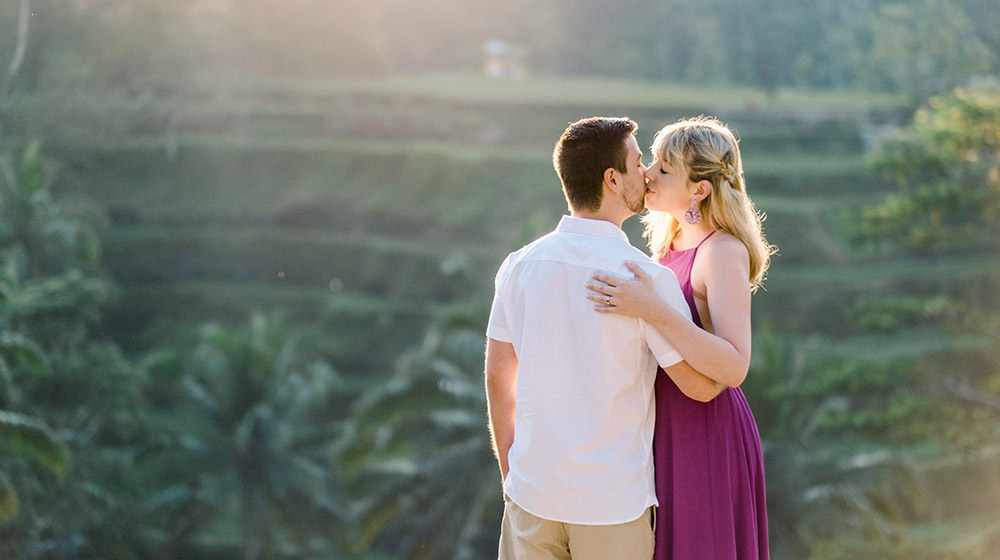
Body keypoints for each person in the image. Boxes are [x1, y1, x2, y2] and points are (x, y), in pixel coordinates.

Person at [485, 117, 720, 560]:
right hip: (611, 507)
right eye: (637, 164)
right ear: (612, 180)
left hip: (532, 495)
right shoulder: (646, 280)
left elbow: (500, 379)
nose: (647, 174)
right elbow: (699, 387)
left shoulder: (519, 264)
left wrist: (511, 474)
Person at [586, 116, 774, 559]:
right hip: (661, 425)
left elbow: (734, 365)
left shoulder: (723, 251)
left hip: (704, 430)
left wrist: (652, 309)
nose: (648, 173)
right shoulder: (668, 251)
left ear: (700, 190)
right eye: (650, 162)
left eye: (664, 169)